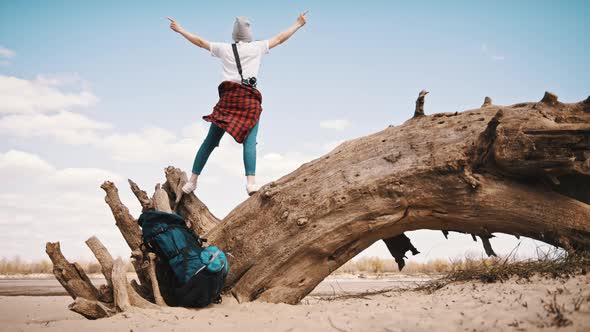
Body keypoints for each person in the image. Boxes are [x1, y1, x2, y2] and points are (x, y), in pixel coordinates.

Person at [168, 11, 308, 195]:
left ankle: (193, 181)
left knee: (209, 142)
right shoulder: (257, 48)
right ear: (249, 35)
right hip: (249, 99)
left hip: (228, 99)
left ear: (234, 35)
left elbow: (201, 42)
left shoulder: (224, 49)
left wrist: (180, 30)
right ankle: (251, 183)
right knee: (250, 142)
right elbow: (281, 38)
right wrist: (298, 24)